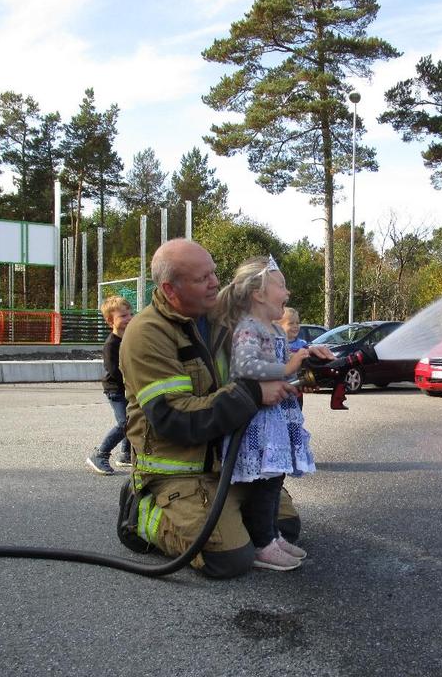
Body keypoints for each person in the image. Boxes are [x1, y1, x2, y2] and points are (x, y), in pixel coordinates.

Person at [117, 239, 303, 578]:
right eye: (203, 278)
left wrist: (299, 371)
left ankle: (232, 517)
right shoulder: (147, 333)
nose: (216, 282)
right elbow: (173, 418)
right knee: (230, 560)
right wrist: (253, 394)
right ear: (171, 289)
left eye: (214, 273)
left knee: (285, 526)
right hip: (179, 470)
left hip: (225, 461)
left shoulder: (222, 318)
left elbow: (261, 356)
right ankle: (143, 513)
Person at [215, 257, 332, 571]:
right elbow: (245, 367)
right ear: (258, 294)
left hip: (275, 416)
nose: (288, 292)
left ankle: (272, 535)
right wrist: (287, 368)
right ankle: (263, 543)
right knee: (263, 483)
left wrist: (301, 365)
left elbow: (278, 368)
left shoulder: (273, 330)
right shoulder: (248, 327)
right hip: (258, 422)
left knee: (274, 479)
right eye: (281, 285)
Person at [86, 296, 133, 475]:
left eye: (130, 314)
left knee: (133, 418)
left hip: (128, 387)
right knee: (125, 423)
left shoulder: (129, 339)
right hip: (116, 389)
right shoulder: (111, 345)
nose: (128, 318)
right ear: (110, 321)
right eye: (122, 316)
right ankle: (100, 454)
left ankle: (125, 455)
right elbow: (115, 371)